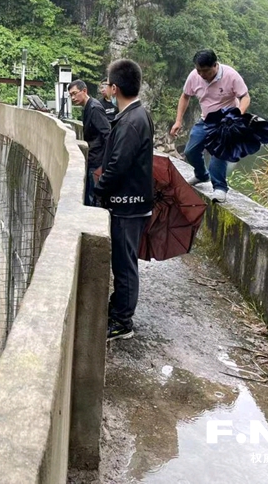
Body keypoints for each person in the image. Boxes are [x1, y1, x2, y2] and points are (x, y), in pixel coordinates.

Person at [94, 59, 154, 341]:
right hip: (129, 202)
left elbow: (118, 164)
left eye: (107, 84)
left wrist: (99, 189)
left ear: (114, 88)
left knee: (124, 264)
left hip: (128, 205)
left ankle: (122, 323)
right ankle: (118, 310)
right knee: (122, 261)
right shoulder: (135, 115)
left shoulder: (131, 120)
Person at [170, 49, 250, 204]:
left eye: (204, 71)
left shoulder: (231, 75)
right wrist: (178, 121)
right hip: (206, 120)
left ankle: (220, 188)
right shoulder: (194, 75)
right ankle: (201, 175)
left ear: (215, 65)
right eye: (198, 70)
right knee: (190, 151)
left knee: (218, 154)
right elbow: (185, 96)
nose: (201, 74)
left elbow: (245, 96)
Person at [68, 79, 110, 206]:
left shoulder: (94, 108)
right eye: (71, 95)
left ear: (84, 91)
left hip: (97, 161)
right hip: (93, 158)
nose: (73, 97)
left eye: (75, 93)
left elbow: (107, 133)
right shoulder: (87, 107)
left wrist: (107, 161)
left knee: (93, 198)